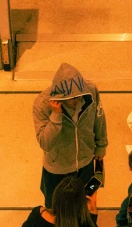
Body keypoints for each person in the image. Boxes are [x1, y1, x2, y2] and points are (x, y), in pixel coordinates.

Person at [33, 62, 108, 208]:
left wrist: (101, 147)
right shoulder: (42, 104)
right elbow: (45, 143)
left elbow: (99, 119)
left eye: (79, 96)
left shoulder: (91, 92)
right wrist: (56, 116)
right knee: (55, 208)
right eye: (72, 98)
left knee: (84, 202)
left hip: (85, 164)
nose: (77, 100)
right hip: (57, 169)